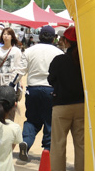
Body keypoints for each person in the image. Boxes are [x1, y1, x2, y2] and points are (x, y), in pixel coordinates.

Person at [48, 26, 85, 171]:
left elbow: (51, 79)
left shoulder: (59, 60)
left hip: (61, 105)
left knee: (58, 142)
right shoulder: (86, 60)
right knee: (81, 143)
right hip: (81, 105)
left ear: (67, 41)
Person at [19, 26, 63, 162]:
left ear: (39, 36)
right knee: (50, 121)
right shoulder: (58, 52)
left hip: (32, 88)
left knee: (32, 119)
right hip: (51, 89)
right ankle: (47, 150)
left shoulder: (30, 50)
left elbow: (20, 71)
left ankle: (26, 141)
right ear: (54, 37)